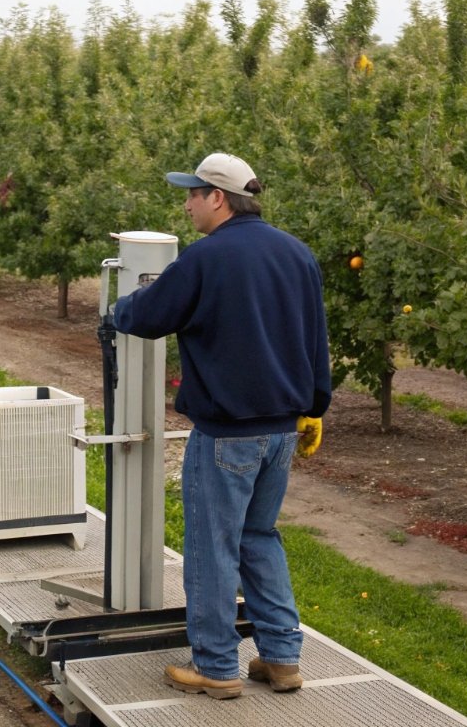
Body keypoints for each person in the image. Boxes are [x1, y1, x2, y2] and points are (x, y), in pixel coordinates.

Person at [112, 153, 331, 700]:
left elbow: (147, 316)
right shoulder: (297, 254)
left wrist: (120, 306)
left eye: (192, 194)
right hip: (283, 431)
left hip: (226, 434)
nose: (185, 204)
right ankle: (282, 658)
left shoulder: (205, 259)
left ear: (218, 197)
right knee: (259, 538)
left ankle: (214, 666)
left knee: (213, 546)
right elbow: (315, 338)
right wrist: (315, 408)